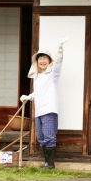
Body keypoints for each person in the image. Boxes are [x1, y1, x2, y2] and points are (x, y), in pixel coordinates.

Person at [20, 38, 67, 169]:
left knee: (49, 137)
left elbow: (58, 63)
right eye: (40, 58)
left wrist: (60, 49)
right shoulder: (38, 77)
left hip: (49, 110)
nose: (42, 61)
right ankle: (46, 162)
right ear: (36, 62)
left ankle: (50, 164)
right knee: (41, 137)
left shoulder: (53, 74)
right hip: (39, 111)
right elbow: (38, 93)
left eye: (45, 58)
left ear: (49, 61)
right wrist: (28, 97)